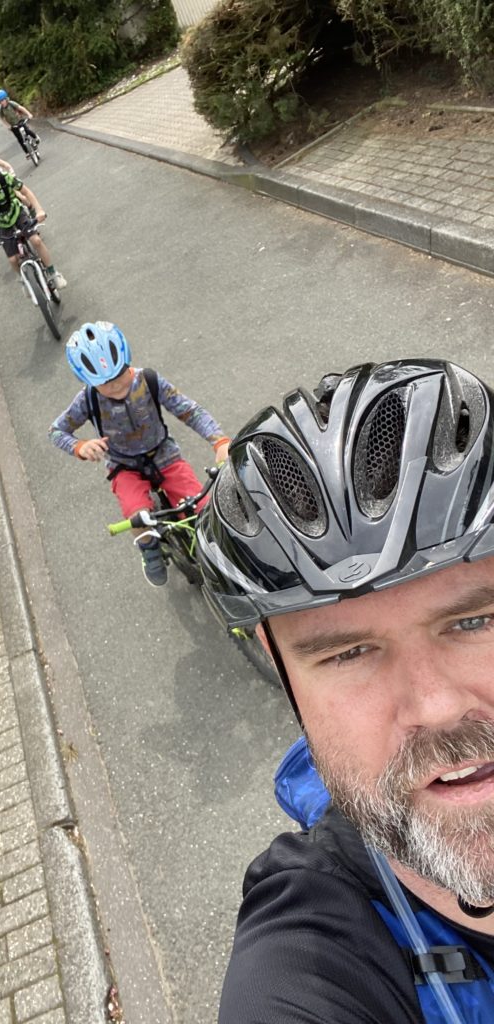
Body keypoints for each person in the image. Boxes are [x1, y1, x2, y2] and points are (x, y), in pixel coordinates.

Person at [197, 359, 494, 1022]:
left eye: (476, 621)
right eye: (349, 653)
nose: (435, 706)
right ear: (283, 672)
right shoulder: (307, 961)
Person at [49, 322, 230, 587]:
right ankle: (149, 550)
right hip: (124, 466)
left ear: (127, 361)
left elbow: (190, 411)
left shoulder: (149, 381)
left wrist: (219, 441)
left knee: (201, 510)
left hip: (164, 455)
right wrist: (79, 447)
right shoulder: (87, 399)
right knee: (137, 514)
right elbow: (56, 431)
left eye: (119, 374)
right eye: (104, 382)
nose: (114, 385)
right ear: (88, 381)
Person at [0, 151, 66, 290]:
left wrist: (39, 210)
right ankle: (24, 280)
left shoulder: (5, 177)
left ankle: (53, 273)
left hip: (17, 213)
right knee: (13, 259)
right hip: (2, 223)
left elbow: (26, 192)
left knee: (36, 240)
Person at [0, 89, 40, 156]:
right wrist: (8, 126)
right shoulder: (1, 110)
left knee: (27, 130)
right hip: (13, 125)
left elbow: (21, 108)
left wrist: (28, 114)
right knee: (20, 139)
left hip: (20, 121)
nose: (2, 103)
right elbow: (3, 119)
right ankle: (27, 152)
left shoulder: (11, 103)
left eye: (2, 100)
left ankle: (35, 137)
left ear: (6, 99)